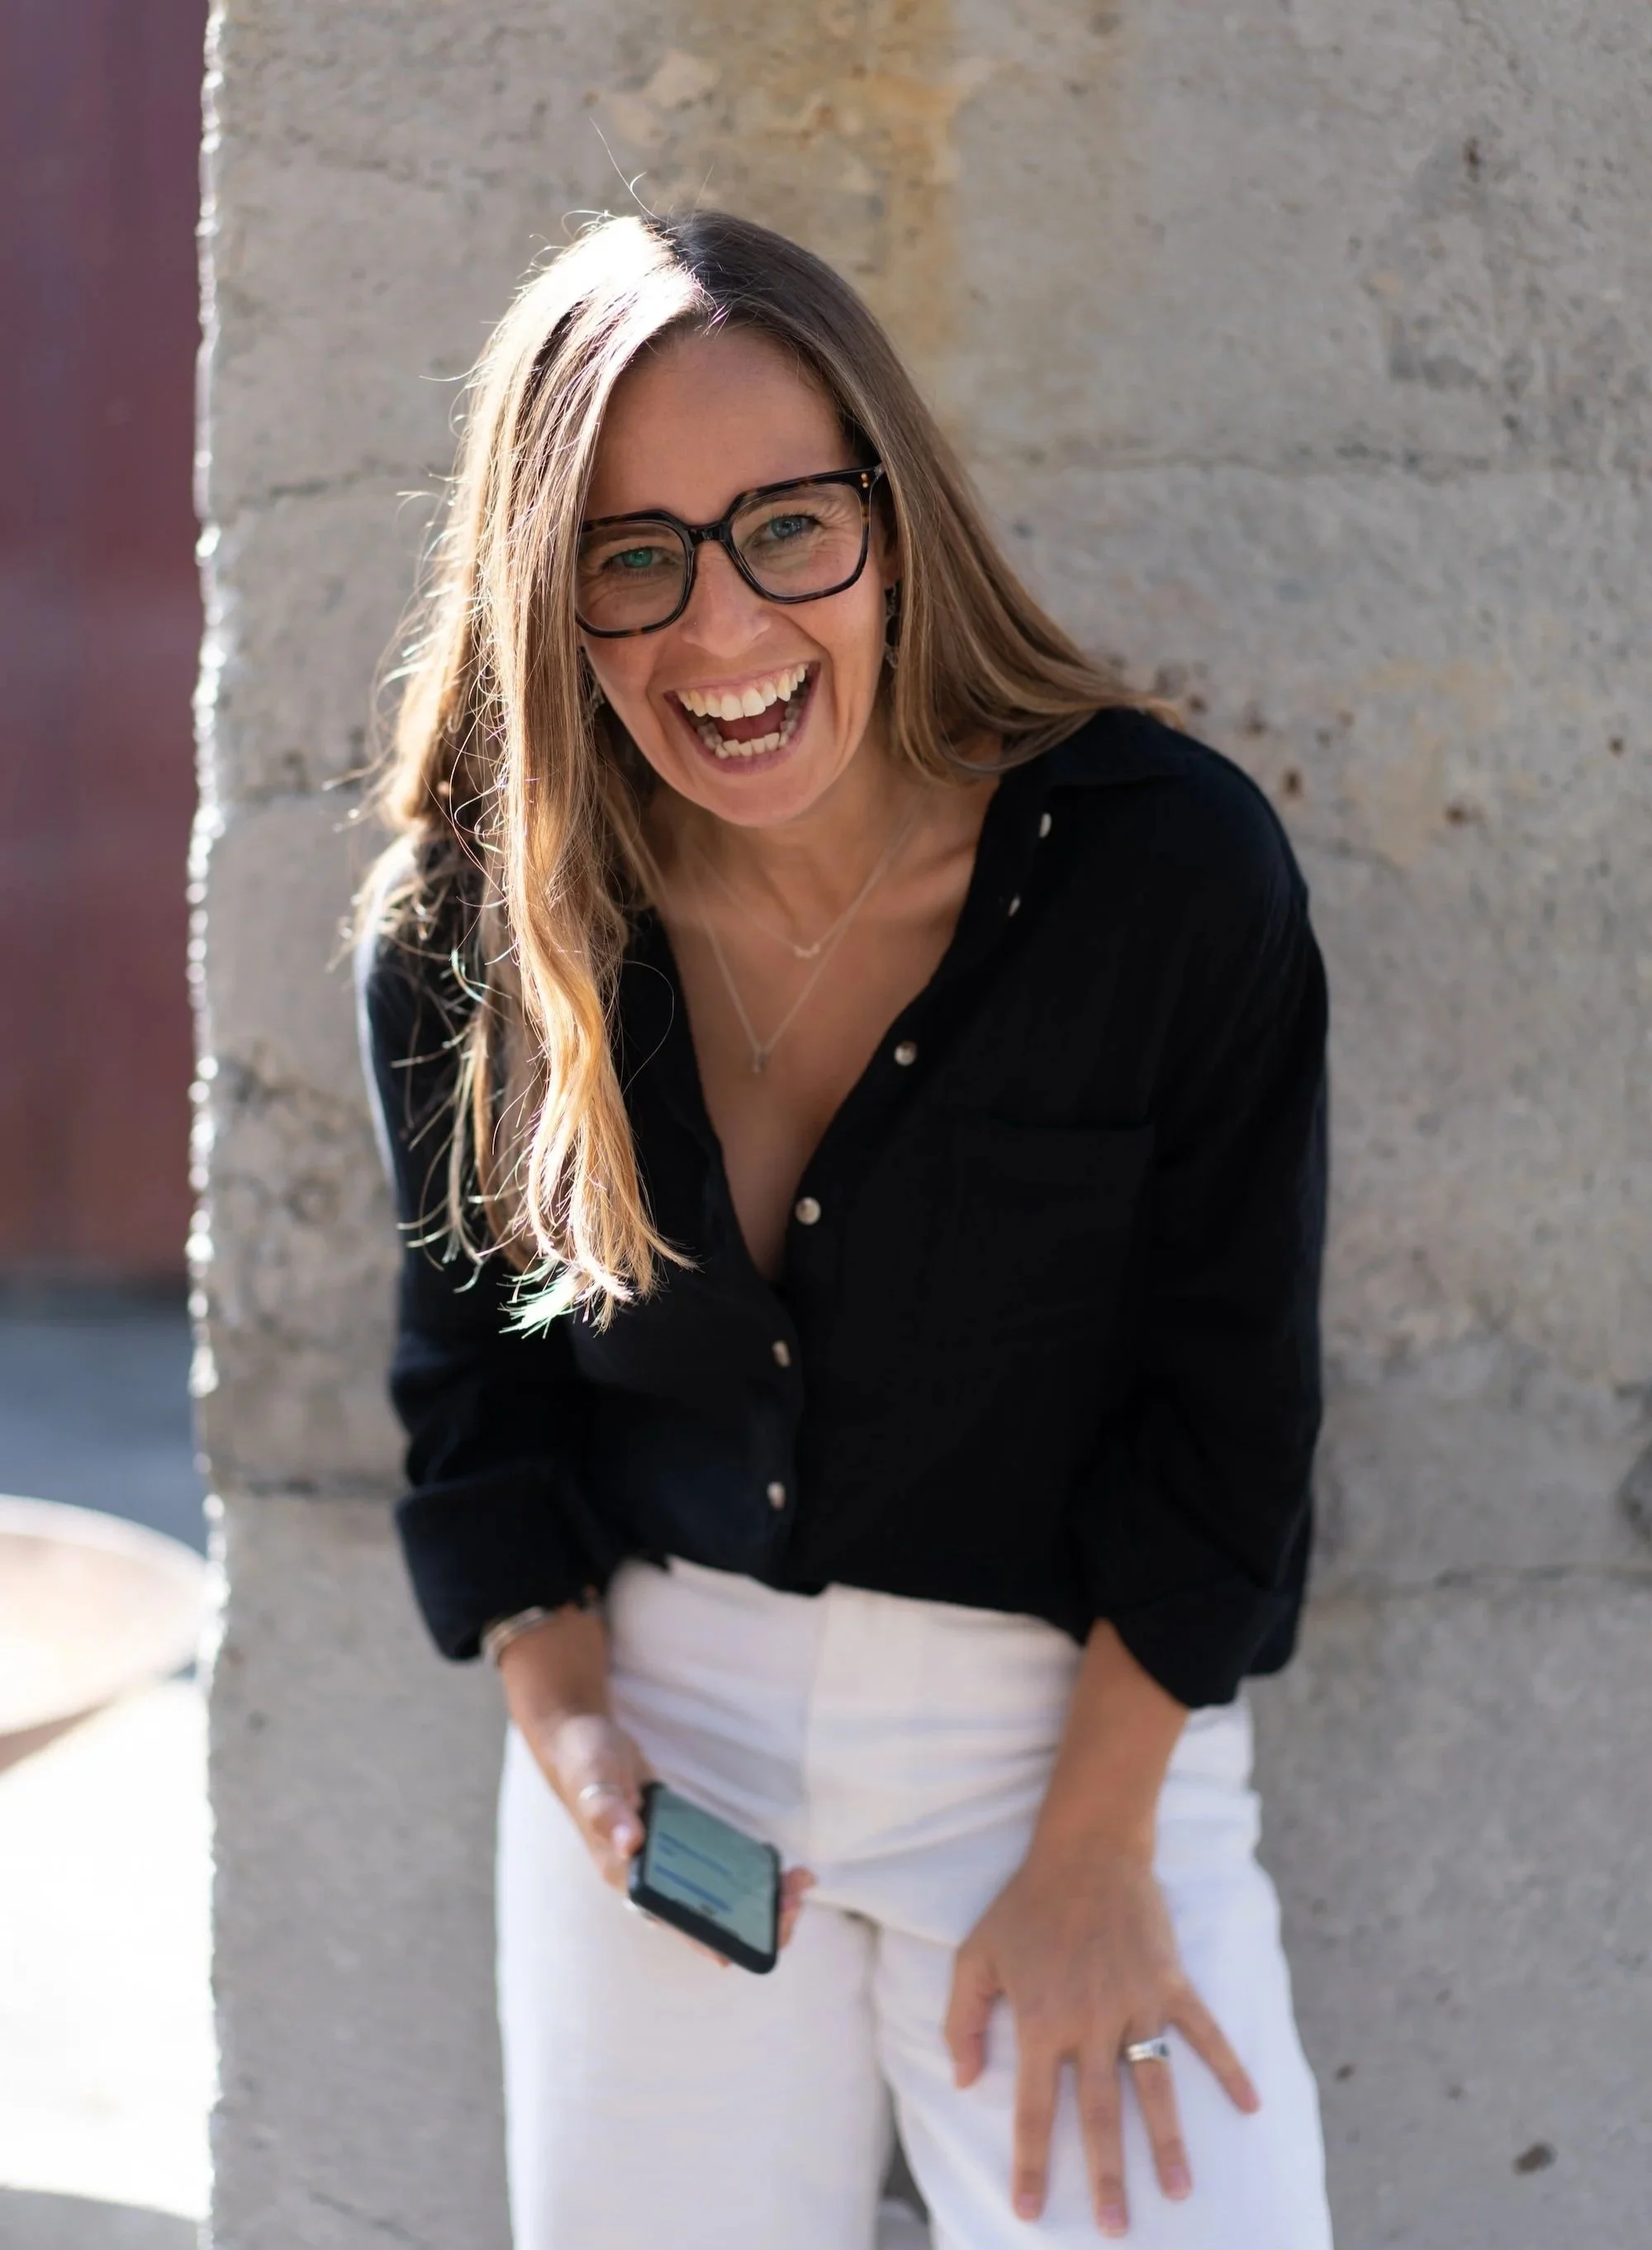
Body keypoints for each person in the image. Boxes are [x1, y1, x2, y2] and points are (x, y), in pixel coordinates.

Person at [358, 209, 1333, 2250]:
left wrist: (1094, 1853)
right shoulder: (479, 931)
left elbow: (1231, 1413)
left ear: (890, 521)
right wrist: (583, 1746)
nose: (721, 628)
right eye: (631, 557)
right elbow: (474, 1407)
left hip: (1074, 1734)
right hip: (668, 1723)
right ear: (548, 593)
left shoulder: (1163, 878)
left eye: (785, 527)